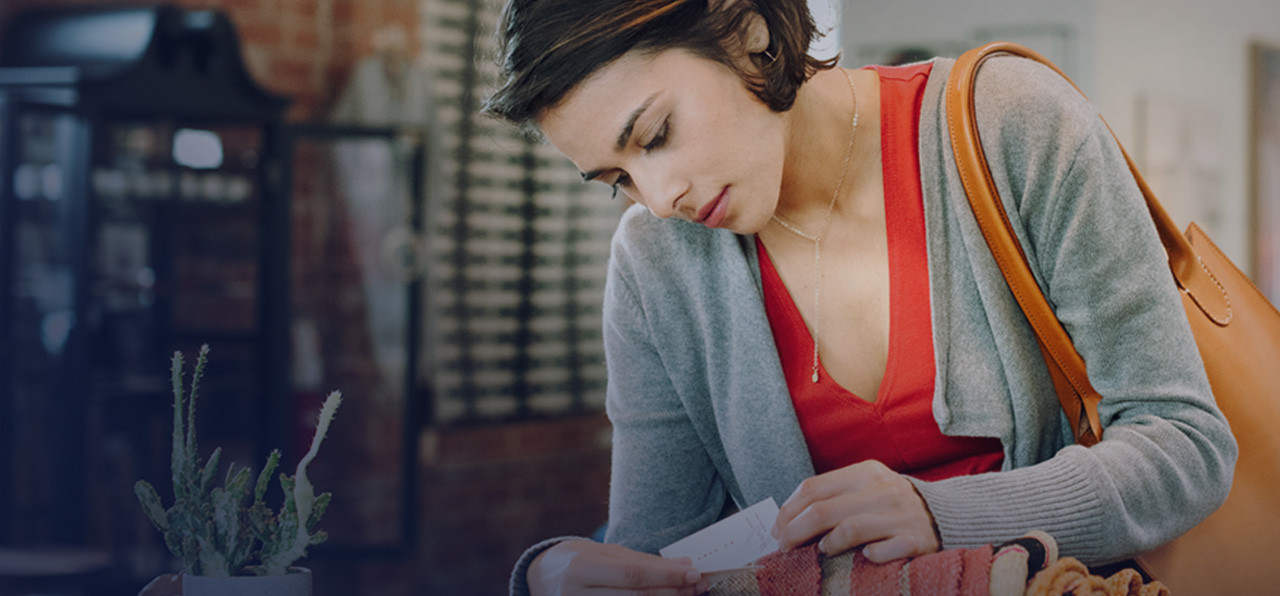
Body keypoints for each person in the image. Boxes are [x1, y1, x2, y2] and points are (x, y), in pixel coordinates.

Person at [483, 1, 1238, 594]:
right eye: (616, 180)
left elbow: (1186, 444)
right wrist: (552, 575)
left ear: (745, 29)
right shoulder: (654, 265)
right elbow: (659, 550)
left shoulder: (1014, 123)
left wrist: (942, 515)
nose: (659, 196)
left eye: (654, 136)